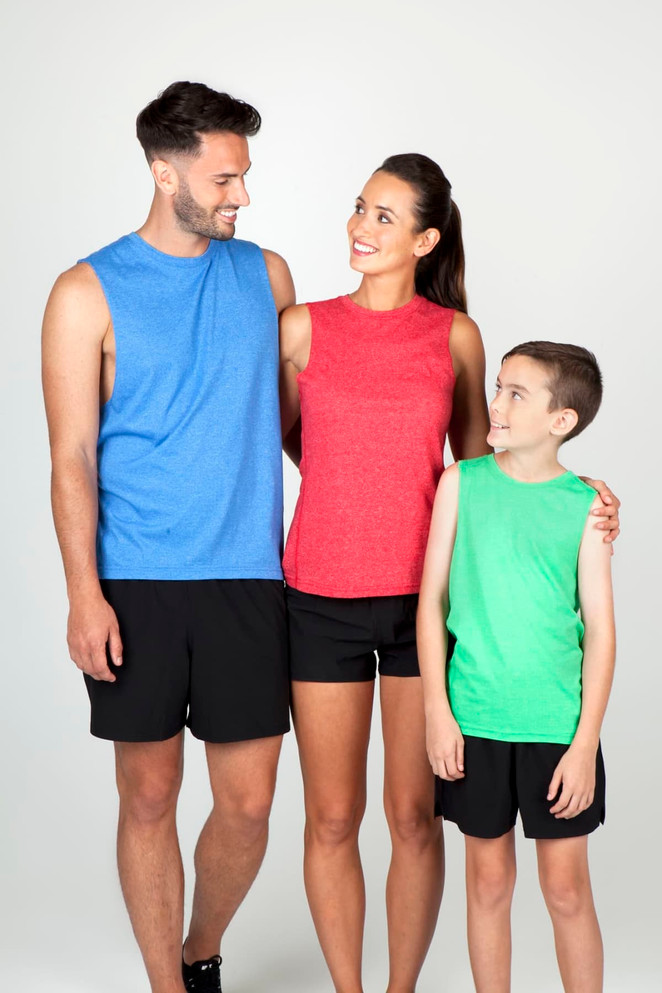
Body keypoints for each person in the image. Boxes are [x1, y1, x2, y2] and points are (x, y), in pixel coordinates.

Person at [278, 155, 620, 993]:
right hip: (318, 591)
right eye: (360, 208)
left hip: (423, 609)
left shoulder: (455, 336)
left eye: (386, 217)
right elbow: (292, 443)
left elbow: (487, 466)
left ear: (426, 239)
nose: (362, 225)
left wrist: (587, 492)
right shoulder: (300, 327)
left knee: (412, 818)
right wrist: (351, 489)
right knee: (330, 817)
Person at [42, 81, 294, 993]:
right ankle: (166, 985)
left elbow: (298, 423)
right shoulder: (85, 290)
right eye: (226, 178)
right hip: (137, 580)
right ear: (164, 171)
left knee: (251, 804)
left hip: (249, 577)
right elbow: (70, 454)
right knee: (148, 795)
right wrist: (83, 592)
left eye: (244, 177)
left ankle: (200, 948)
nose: (242, 196)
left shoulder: (265, 276)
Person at [417, 342, 615, 993]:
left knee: (565, 890)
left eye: (515, 394)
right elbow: (431, 603)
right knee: (489, 881)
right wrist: (438, 714)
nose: (494, 404)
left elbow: (602, 633)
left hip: (557, 727)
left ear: (562, 420)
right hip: (474, 718)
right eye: (497, 388)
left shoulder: (585, 505)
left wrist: (585, 742)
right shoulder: (461, 482)